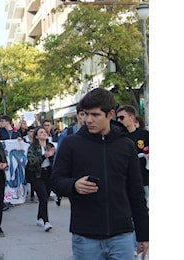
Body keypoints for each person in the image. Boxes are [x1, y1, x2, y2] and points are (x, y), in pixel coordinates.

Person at [51, 88, 149, 259]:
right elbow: (55, 181)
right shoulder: (70, 144)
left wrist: (144, 234)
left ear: (110, 114)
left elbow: (136, 192)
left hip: (122, 235)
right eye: (85, 114)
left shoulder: (126, 146)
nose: (88, 120)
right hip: (86, 236)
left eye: (95, 115)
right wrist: (74, 185)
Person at [116, 105, 149, 206]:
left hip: (144, 179)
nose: (119, 121)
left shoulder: (144, 134)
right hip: (126, 182)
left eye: (122, 118)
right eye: (117, 118)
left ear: (131, 118)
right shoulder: (118, 138)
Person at [53, 104, 86, 206]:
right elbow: (59, 156)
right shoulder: (67, 134)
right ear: (77, 116)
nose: (85, 117)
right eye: (82, 114)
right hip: (73, 175)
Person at [25, 126, 55, 232]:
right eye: (41, 132)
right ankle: (46, 221)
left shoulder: (50, 146)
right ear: (37, 136)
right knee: (42, 196)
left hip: (48, 174)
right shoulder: (33, 147)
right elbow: (32, 162)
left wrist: (51, 156)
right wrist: (44, 156)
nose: (43, 134)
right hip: (36, 175)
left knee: (45, 197)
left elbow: (54, 161)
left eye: (45, 132)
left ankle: (40, 218)